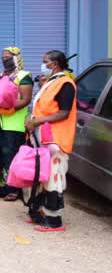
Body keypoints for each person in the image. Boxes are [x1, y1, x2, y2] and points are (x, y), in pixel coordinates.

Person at [24, 50, 77, 232]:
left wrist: (36, 121)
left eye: (45, 61)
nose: (43, 64)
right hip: (44, 136)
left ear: (54, 64)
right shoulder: (51, 82)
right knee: (43, 176)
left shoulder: (66, 84)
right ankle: (39, 212)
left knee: (54, 177)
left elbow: (64, 112)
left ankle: (54, 220)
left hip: (56, 139)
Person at [0, 47, 33, 200]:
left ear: (17, 58)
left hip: (13, 123)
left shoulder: (24, 76)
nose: (5, 60)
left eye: (9, 57)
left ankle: (13, 189)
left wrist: (8, 109)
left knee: (11, 155)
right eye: (3, 57)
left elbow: (25, 100)